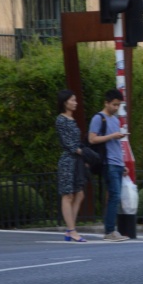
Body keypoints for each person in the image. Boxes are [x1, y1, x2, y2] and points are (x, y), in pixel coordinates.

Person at [89, 88, 130, 242]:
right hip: (108, 163)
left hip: (117, 163)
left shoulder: (115, 119)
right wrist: (113, 136)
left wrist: (123, 164)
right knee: (114, 196)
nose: (116, 108)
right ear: (106, 102)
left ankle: (112, 230)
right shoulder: (99, 118)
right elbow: (92, 139)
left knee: (114, 197)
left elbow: (116, 146)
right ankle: (110, 231)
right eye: (113, 104)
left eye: (118, 105)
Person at [55, 89, 90, 242]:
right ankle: (71, 230)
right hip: (68, 160)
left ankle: (71, 228)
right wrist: (82, 152)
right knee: (67, 195)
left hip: (77, 159)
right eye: (73, 100)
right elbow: (68, 143)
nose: (76, 103)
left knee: (80, 194)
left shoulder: (72, 119)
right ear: (65, 102)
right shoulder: (61, 119)